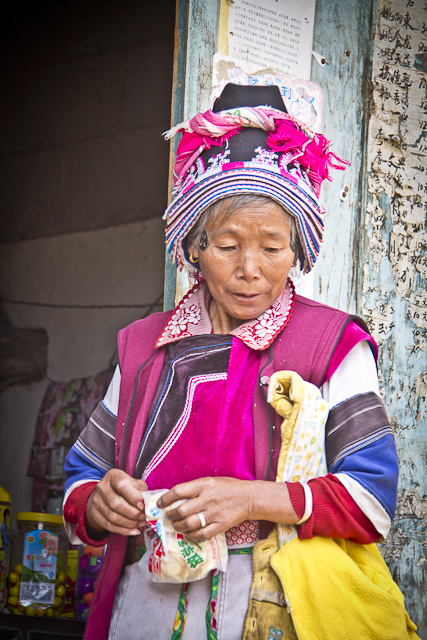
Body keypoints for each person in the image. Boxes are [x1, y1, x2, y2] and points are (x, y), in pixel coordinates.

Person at [63, 84, 408, 640]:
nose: (250, 268)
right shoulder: (142, 347)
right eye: (227, 246)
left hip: (275, 610)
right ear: (194, 247)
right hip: (143, 612)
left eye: (272, 248)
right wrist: (99, 506)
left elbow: (371, 504)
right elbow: (81, 478)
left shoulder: (332, 344)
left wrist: (250, 498)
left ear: (297, 252)